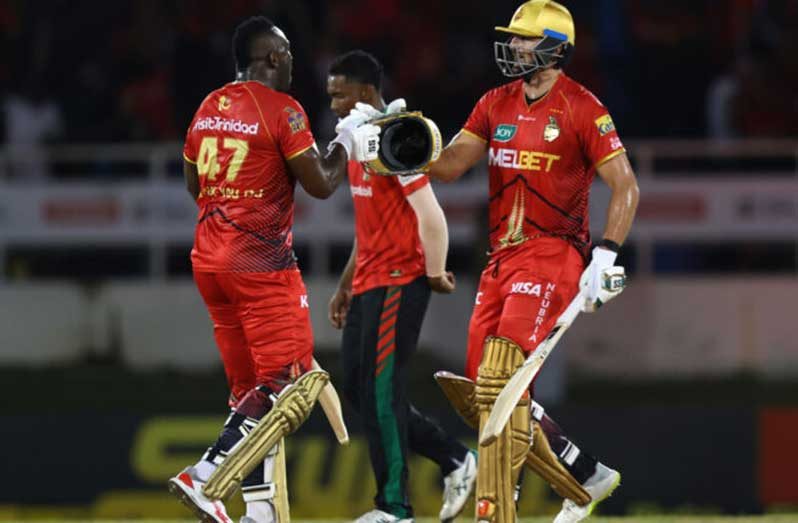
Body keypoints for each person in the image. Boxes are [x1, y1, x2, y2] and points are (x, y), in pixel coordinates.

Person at [425, 2, 640, 522]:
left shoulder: (582, 108)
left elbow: (625, 186)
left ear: (554, 49)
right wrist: (404, 143)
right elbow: (450, 165)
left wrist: (605, 255)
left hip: (553, 255)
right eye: (514, 39)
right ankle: (583, 474)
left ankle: (498, 504)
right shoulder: (494, 103)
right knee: (487, 394)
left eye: (524, 39)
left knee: (501, 379)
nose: (515, 47)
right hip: (500, 260)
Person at [167, 17, 379, 523]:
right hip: (259, 265)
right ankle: (206, 475)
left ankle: (260, 511)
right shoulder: (283, 110)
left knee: (251, 396)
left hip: (209, 262)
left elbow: (195, 186)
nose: (293, 64)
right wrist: (347, 137)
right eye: (287, 55)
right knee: (289, 384)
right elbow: (324, 184)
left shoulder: (208, 106)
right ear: (273, 58)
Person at [325, 50, 477, 523]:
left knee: (384, 390)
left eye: (339, 94)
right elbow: (368, 225)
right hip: (369, 280)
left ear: (367, 93)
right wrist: (345, 284)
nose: (331, 104)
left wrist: (434, 272)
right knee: (357, 387)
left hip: (400, 279)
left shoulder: (397, 136)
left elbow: (432, 215)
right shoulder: (357, 141)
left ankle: (394, 508)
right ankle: (454, 458)